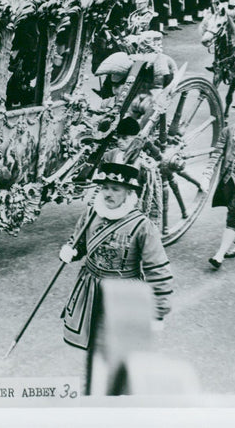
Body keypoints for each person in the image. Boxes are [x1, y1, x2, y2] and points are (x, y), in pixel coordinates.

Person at [58, 161, 173, 385]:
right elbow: (79, 242)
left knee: (121, 350)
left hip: (123, 293)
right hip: (90, 291)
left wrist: (158, 311)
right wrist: (71, 250)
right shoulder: (92, 213)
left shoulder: (142, 226)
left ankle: (119, 395)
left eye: (115, 189)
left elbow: (158, 270)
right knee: (93, 345)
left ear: (128, 193)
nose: (108, 193)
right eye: (105, 187)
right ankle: (93, 387)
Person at [206, 96, 235, 268]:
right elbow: (217, 152)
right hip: (228, 180)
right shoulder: (228, 131)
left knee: (233, 216)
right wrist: (208, 172)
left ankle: (219, 255)